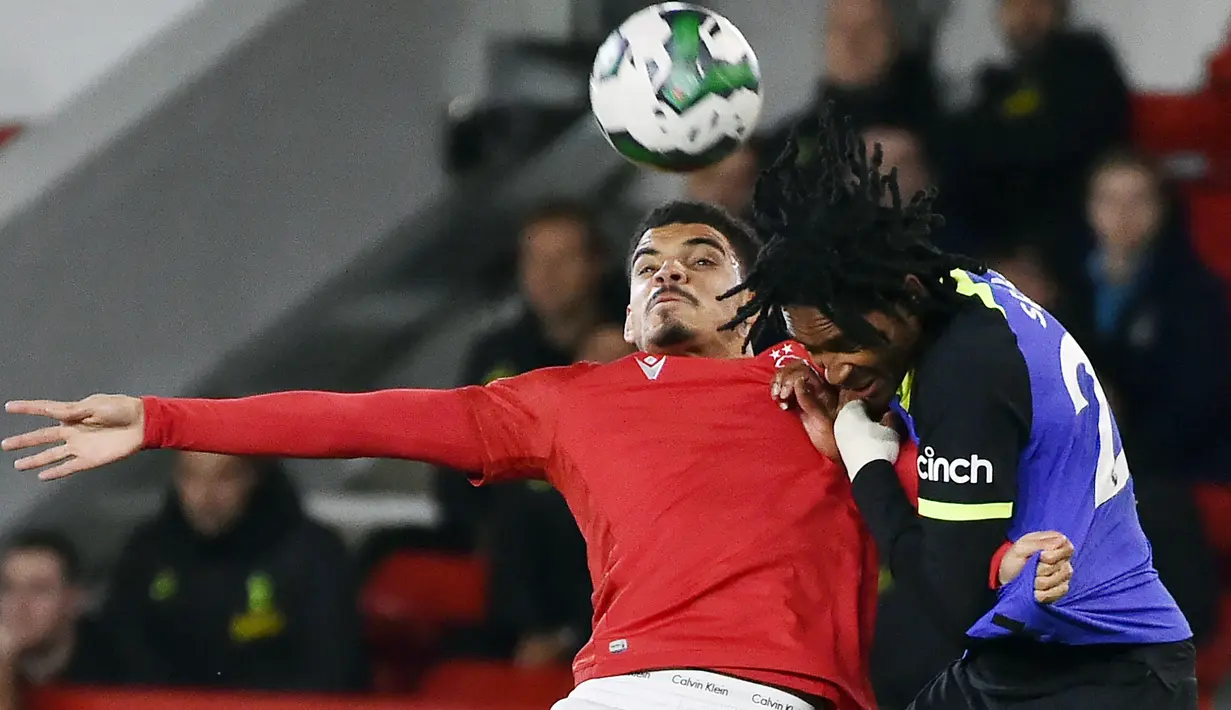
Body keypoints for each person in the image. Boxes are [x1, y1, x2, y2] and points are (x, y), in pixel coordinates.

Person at [2, 201, 1072, 710]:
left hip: (771, 694)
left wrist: (1010, 556)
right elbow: (363, 418)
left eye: (702, 259)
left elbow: (946, 505)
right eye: (649, 261)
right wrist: (165, 419)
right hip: (614, 691)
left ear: (756, 303)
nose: (667, 272)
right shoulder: (566, 401)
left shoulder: (827, 384)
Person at [729, 109, 1197, 707]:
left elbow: (954, 607)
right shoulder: (953, 294)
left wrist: (862, 460)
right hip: (1032, 659)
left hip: (1103, 674)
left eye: (846, 345)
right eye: (819, 350)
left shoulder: (963, 372)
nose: (836, 368)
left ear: (906, 297)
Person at [102, 452, 368, 691]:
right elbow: (123, 657)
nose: (205, 495)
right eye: (191, 476)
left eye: (225, 477)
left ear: (256, 477)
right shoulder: (146, 552)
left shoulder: (312, 553)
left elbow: (330, 668)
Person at [0, 531, 114, 710]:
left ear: (74, 599)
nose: (19, 605)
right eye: (8, 588)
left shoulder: (118, 665)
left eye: (39, 589)